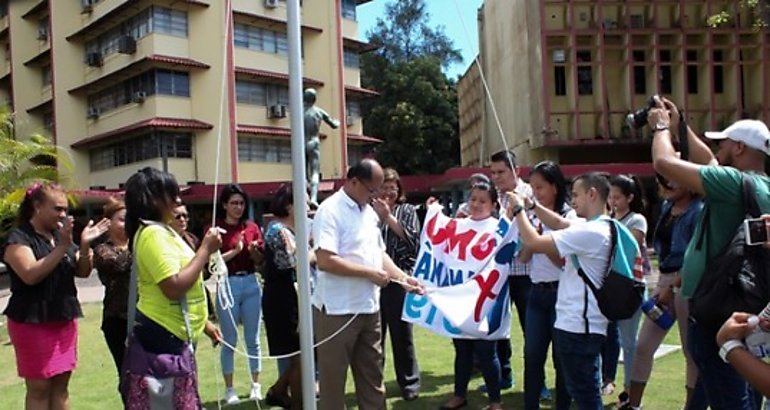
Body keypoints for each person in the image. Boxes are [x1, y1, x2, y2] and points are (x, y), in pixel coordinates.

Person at [649, 96, 770, 409]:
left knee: (729, 396)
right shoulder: (757, 185)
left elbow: (664, 164)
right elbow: (709, 161)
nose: (718, 150)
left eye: (724, 144)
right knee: (738, 386)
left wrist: (661, 128)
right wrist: (681, 126)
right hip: (747, 303)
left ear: (740, 148)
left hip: (717, 309)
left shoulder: (731, 183)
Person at [507, 172, 641, 410]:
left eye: (576, 195)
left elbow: (535, 242)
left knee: (585, 396)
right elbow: (559, 223)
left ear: (592, 194)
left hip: (578, 327)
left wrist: (519, 211)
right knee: (584, 392)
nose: (572, 200)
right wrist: (533, 205)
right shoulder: (603, 226)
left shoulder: (590, 233)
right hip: (583, 325)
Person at [311, 158, 423, 410]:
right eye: (372, 190)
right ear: (353, 181)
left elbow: (379, 254)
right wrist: (369, 274)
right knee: (333, 384)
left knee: (373, 378)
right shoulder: (329, 211)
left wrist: (403, 278)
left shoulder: (369, 213)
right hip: (337, 311)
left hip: (369, 309)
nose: (377, 196)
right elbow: (325, 260)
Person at [3, 182, 109, 410]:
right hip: (32, 322)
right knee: (39, 388)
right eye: (57, 209)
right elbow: (30, 274)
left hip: (63, 318)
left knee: (61, 385)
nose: (62, 214)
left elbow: (82, 272)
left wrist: (83, 245)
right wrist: (62, 246)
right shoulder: (19, 238)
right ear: (37, 206)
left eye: (64, 209)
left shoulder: (60, 236)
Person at [123, 167, 222, 403]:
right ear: (153, 199)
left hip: (173, 334)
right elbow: (173, 286)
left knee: (173, 401)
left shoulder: (163, 232)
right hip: (163, 336)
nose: (177, 200)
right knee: (167, 403)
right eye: (171, 193)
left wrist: (204, 324)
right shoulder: (153, 235)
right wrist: (205, 250)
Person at [624, 178, 705, 410]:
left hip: (687, 283)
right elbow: (663, 249)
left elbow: (695, 256)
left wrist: (672, 286)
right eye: (662, 179)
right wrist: (663, 284)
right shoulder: (668, 208)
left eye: (673, 178)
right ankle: (634, 404)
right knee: (643, 347)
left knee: (691, 353)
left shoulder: (698, 212)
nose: (666, 184)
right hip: (665, 281)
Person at [439, 181, 504, 410]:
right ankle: (459, 394)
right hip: (459, 298)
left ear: (494, 205)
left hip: (485, 300)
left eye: (482, 201)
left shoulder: (500, 228)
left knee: (487, 352)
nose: (476, 204)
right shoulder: (457, 225)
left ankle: (495, 401)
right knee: (462, 350)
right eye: (473, 199)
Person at [518, 161, 574, 410]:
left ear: (555, 186)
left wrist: (543, 240)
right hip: (536, 293)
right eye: (532, 188)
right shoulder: (530, 217)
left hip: (561, 295)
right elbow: (523, 257)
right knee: (532, 355)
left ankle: (562, 404)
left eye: (540, 187)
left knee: (561, 358)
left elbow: (563, 262)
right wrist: (532, 238)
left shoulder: (568, 216)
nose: (535, 193)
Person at [206, 184, 265, 404]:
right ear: (224, 205)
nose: (238, 207)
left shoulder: (251, 227)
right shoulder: (216, 229)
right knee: (229, 339)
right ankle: (229, 389)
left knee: (253, 338)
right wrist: (236, 251)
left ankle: (255, 385)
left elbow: (260, 262)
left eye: (241, 203)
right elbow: (213, 262)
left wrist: (254, 253)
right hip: (227, 282)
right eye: (233, 203)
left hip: (250, 282)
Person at [261, 184, 314, 410]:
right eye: (304, 200)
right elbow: (290, 263)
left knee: (305, 354)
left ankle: (279, 391)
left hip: (293, 297)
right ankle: (297, 404)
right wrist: (314, 253)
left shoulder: (291, 231)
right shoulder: (277, 230)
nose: (308, 205)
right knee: (300, 356)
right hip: (282, 299)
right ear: (290, 205)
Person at [372, 167, 421, 401]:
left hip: (400, 280)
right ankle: (374, 384)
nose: (388, 191)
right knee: (374, 339)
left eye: (392, 187)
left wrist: (388, 217)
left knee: (403, 336)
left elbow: (412, 242)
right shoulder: (367, 212)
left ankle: (409, 384)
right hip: (373, 280)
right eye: (384, 187)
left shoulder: (407, 210)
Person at [488, 149, 534, 391]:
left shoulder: (529, 193)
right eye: (492, 172)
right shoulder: (491, 196)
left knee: (532, 331)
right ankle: (503, 375)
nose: (496, 177)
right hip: (499, 276)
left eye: (501, 172)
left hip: (526, 273)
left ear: (515, 170)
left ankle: (537, 383)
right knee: (497, 328)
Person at [601, 174, 648, 398]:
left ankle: (630, 389)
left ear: (630, 197)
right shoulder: (608, 219)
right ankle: (607, 380)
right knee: (608, 337)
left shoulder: (636, 220)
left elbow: (630, 249)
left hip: (630, 288)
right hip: (610, 287)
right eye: (610, 197)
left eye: (617, 197)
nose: (613, 201)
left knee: (629, 343)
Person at [93, 197, 130, 388]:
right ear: (108, 223)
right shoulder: (102, 249)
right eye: (123, 219)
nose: (127, 223)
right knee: (127, 374)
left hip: (145, 315)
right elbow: (120, 264)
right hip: (117, 320)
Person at [304, 88, 340, 204]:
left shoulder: (298, 111)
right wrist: (338, 122)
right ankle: (313, 198)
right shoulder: (319, 112)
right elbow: (334, 125)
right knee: (315, 172)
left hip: (301, 144)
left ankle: (304, 198)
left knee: (302, 173)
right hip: (314, 141)